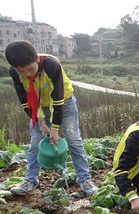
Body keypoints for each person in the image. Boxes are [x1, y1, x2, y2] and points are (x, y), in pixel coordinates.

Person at [5, 40, 98, 196]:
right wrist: (41, 122)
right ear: (15, 68)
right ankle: (30, 180)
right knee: (35, 142)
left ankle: (85, 180)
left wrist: (55, 128)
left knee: (73, 139)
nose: (28, 75)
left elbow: (58, 99)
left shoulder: (51, 65)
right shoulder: (15, 73)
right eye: (22, 72)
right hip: (38, 106)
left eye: (30, 69)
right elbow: (24, 100)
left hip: (64, 103)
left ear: (36, 59)